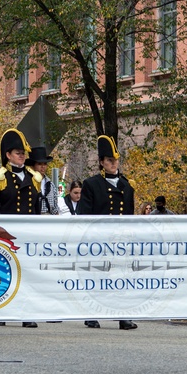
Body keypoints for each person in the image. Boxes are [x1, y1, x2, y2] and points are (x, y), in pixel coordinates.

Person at [0, 129, 42, 328]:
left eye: (23, 153)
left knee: (26, 274)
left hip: (26, 234)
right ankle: (2, 310)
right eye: (18, 153)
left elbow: (36, 210)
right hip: (5, 235)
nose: (22, 156)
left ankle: (26, 312)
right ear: (8, 155)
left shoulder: (34, 178)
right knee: (3, 273)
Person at [78, 135, 137, 330]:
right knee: (96, 277)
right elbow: (84, 214)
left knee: (121, 277)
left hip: (120, 240)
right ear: (102, 162)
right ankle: (92, 314)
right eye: (110, 160)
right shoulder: (91, 184)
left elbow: (129, 214)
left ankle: (123, 316)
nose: (114, 164)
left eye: (116, 160)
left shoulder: (127, 185)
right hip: (98, 240)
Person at [26, 146, 60, 215]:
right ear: (33, 166)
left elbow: (55, 206)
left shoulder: (50, 184)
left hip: (49, 218)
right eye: (39, 164)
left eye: (45, 164)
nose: (43, 167)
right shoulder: (28, 183)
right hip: (34, 218)